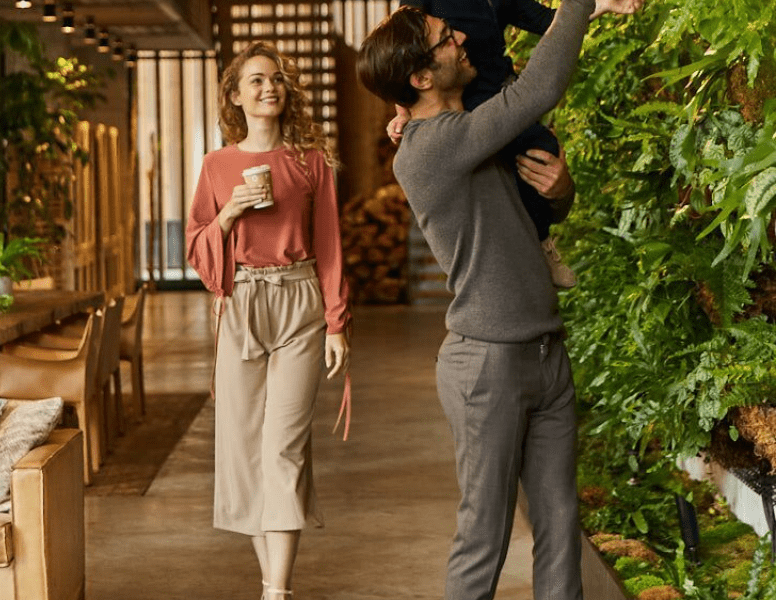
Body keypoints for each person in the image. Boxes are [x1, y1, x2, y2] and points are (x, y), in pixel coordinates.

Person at [357, 0, 598, 598]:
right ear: (420, 77)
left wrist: (560, 194)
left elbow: (517, 224)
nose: (461, 37)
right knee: (484, 537)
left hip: (545, 352)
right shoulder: (429, 147)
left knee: (561, 524)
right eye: (445, 39)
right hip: (486, 365)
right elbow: (538, 88)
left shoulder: (478, 134)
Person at [185, 41, 351, 600]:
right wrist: (230, 210)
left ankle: (276, 593)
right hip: (240, 306)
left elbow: (330, 243)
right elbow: (197, 246)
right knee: (243, 450)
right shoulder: (216, 165)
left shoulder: (310, 161)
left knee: (283, 447)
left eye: (277, 78)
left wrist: (336, 322)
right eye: (256, 80)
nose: (269, 87)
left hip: (299, 301)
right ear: (235, 96)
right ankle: (271, 585)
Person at [389, 0, 643, 288]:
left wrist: (603, 5)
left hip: (501, 94)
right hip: (463, 104)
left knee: (541, 147)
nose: (459, 38)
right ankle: (512, 264)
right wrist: (404, 112)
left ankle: (540, 241)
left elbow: (550, 21)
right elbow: (401, 46)